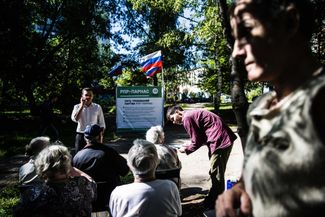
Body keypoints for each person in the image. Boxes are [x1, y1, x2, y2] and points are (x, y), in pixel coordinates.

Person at [216, 0, 325, 217]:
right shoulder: (260, 107)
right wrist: (239, 189)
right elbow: (252, 172)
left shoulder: (319, 102)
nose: (236, 51)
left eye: (246, 32)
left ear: (290, 22)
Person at [166, 105, 237, 209]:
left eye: (172, 118)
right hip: (223, 139)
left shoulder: (186, 118)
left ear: (177, 112)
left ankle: (215, 203)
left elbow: (196, 141)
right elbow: (200, 137)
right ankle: (214, 200)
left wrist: (186, 149)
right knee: (216, 171)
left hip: (219, 142)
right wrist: (189, 145)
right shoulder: (191, 114)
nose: (173, 122)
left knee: (216, 174)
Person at [14, 143, 96, 217]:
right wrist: (72, 169)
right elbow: (92, 182)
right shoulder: (84, 185)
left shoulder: (33, 195)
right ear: (67, 164)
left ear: (42, 167)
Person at [109, 139, 182, 217]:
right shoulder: (170, 187)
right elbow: (178, 213)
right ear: (157, 162)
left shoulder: (118, 193)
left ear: (129, 166)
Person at [73, 124, 130, 213]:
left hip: (88, 200)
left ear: (85, 138)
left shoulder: (77, 157)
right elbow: (125, 171)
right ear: (100, 136)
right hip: (109, 198)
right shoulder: (110, 153)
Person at [71, 87, 106, 153]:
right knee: (78, 155)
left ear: (93, 96)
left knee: (95, 155)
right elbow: (75, 119)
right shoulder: (77, 107)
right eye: (86, 95)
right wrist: (81, 106)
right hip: (81, 134)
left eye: (90, 95)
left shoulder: (97, 107)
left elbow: (102, 123)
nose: (88, 97)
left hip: (94, 136)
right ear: (82, 96)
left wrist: (100, 138)